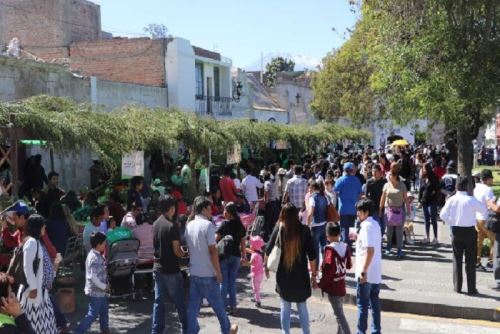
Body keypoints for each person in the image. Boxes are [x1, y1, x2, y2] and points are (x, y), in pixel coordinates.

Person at [185, 196, 238, 334]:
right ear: (203, 209)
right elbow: (212, 250)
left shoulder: (189, 225)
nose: (212, 212)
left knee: (193, 307)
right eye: (210, 209)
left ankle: (190, 331)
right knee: (219, 306)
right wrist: (218, 272)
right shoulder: (207, 225)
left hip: (194, 271)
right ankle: (226, 330)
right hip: (208, 273)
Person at [264, 203, 317, 334]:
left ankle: (285, 332)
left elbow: (268, 249)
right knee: (302, 305)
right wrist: (314, 275)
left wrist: (266, 266)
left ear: (282, 214)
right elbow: (312, 256)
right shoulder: (305, 230)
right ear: (296, 215)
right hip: (301, 276)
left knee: (285, 306)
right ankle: (306, 332)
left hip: (284, 275)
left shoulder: (279, 228)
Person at [440, 177, 483, 295]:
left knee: (457, 260)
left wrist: (452, 221)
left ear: (456, 187)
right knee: (470, 261)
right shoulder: (471, 200)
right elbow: (483, 210)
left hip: (456, 231)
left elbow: (442, 215)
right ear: (466, 187)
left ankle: (457, 287)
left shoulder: (451, 199)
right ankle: (471, 288)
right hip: (469, 232)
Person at [152, 198, 188, 334]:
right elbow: (176, 250)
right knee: (179, 302)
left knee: (158, 303)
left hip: (157, 267)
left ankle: (156, 331)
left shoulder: (155, 224)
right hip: (171, 269)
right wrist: (184, 254)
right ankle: (186, 328)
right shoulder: (172, 226)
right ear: (171, 208)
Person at [19, 215, 58, 333]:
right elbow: (27, 267)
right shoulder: (31, 242)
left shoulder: (35, 241)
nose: (45, 227)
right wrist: (33, 288)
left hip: (39, 292)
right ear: (37, 227)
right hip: (33, 293)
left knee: (45, 323)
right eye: (43, 225)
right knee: (34, 324)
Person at [318, 222, 352, 334]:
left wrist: (320, 284)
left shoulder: (329, 250)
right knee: (339, 312)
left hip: (333, 288)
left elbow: (328, 271)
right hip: (341, 285)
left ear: (327, 234)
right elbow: (349, 265)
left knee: (339, 315)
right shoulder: (345, 246)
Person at [355, 199, 382, 334]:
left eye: (359, 212)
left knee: (362, 305)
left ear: (366, 212)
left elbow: (370, 250)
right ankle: (376, 331)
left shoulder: (366, 226)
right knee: (375, 305)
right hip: (376, 273)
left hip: (366, 273)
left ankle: (361, 331)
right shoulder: (376, 224)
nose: (357, 215)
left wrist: (363, 272)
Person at [75, 232, 109, 334]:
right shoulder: (94, 257)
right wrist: (104, 286)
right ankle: (79, 331)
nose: (105, 245)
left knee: (104, 311)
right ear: (98, 244)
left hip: (101, 291)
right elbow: (92, 276)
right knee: (93, 314)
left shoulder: (97, 254)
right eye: (104, 243)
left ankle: (105, 329)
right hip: (95, 292)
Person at [216, 203, 246, 315]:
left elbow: (215, 240)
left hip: (224, 256)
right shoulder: (240, 225)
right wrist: (244, 256)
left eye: (225, 210)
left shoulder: (224, 224)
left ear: (229, 213)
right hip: (236, 256)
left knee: (223, 282)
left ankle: (222, 307)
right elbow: (243, 243)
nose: (223, 212)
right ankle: (233, 306)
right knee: (232, 282)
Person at [380, 169, 409, 258]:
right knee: (389, 230)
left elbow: (406, 198)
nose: (388, 177)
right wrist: (380, 210)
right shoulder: (386, 185)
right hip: (388, 210)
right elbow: (383, 198)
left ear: (395, 176)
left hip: (400, 211)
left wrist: (408, 210)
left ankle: (399, 249)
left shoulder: (402, 185)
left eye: (390, 175)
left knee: (399, 231)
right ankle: (388, 247)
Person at [334, 162, 362, 249]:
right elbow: (360, 194)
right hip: (353, 209)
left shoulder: (340, 180)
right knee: (351, 228)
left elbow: (335, 191)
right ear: (351, 170)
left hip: (343, 209)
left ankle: (345, 246)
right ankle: (350, 245)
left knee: (343, 228)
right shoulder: (356, 180)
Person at [473, 169, 496, 269]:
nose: (492, 180)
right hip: (485, 218)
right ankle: (491, 261)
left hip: (476, 218)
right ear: (487, 179)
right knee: (494, 240)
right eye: (491, 178)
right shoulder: (488, 189)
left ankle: (477, 262)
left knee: (479, 240)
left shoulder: (476, 187)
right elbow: (490, 204)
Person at [419, 163, 441, 245]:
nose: (423, 170)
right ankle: (427, 237)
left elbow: (438, 188)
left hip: (432, 201)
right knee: (426, 220)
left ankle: (435, 238)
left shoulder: (433, 177)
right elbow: (421, 189)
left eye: (424, 168)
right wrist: (419, 200)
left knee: (433, 219)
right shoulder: (423, 178)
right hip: (424, 201)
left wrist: (433, 193)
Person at [307, 180, 328, 259]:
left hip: (315, 226)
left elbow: (310, 214)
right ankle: (326, 266)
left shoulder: (312, 198)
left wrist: (307, 225)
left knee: (315, 249)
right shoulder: (324, 197)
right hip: (324, 224)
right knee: (324, 246)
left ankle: (316, 269)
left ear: (312, 187)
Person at [364, 165, 387, 235]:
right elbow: (366, 194)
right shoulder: (369, 182)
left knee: (383, 226)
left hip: (383, 207)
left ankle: (380, 238)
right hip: (374, 208)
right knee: (378, 225)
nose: (374, 173)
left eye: (375, 171)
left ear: (380, 172)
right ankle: (378, 241)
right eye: (373, 171)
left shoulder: (384, 181)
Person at [248, 236, 265, 308]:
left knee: (256, 288)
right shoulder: (258, 253)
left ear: (254, 246)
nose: (249, 245)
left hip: (256, 274)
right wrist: (245, 249)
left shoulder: (254, 255)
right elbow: (251, 250)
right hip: (260, 273)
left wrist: (243, 262)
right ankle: (256, 297)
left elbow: (250, 263)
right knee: (256, 287)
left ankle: (258, 301)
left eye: (251, 244)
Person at [263, 170, 280, 238]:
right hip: (275, 202)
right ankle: (273, 235)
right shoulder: (273, 182)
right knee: (273, 219)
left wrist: (265, 201)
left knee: (267, 220)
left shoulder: (266, 183)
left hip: (270, 203)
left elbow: (266, 192)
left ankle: (266, 236)